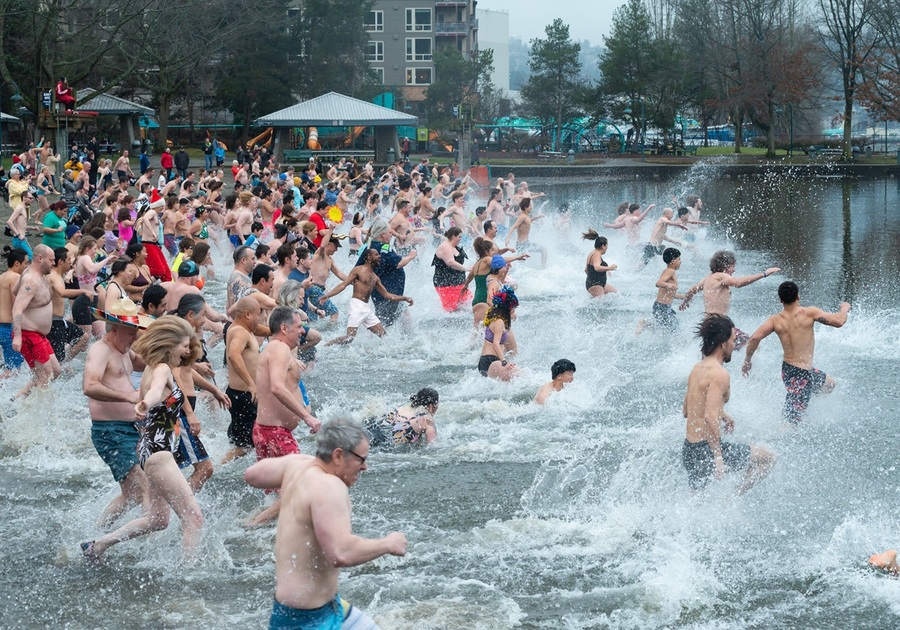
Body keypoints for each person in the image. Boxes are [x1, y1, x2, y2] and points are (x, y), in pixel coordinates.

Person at [244, 419, 407, 628]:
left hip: (323, 607)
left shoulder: (298, 465)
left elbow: (252, 475)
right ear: (338, 455)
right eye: (361, 459)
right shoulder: (329, 486)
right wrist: (388, 544)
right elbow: (341, 553)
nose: (365, 466)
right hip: (306, 621)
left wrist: (294, 470)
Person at [81, 316, 204, 564]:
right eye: (184, 345)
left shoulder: (150, 366)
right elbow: (157, 389)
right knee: (194, 518)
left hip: (152, 451)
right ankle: (190, 576)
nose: (188, 350)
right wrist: (147, 401)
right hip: (159, 454)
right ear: (170, 344)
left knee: (158, 519)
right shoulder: (160, 369)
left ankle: (98, 545)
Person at [682, 314, 775, 494]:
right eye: (733, 340)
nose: (735, 345)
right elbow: (709, 416)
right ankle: (733, 497)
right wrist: (718, 457)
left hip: (689, 450)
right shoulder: (720, 374)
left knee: (698, 505)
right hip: (706, 449)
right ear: (723, 343)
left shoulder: (698, 368)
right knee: (768, 458)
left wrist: (723, 414)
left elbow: (687, 410)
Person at [82, 298, 152, 527]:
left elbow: (141, 363)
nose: (135, 337)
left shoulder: (124, 350)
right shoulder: (100, 350)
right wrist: (128, 397)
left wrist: (166, 353)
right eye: (132, 331)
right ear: (114, 328)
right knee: (148, 487)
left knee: (132, 496)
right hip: (110, 433)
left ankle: (97, 533)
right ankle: (149, 543)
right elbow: (89, 386)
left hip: (130, 429)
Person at [249, 306, 321, 526]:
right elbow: (277, 388)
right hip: (275, 433)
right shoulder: (279, 349)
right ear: (283, 328)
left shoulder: (276, 349)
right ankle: (250, 527)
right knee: (298, 487)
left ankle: (267, 531)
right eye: (299, 327)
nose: (302, 331)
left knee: (280, 492)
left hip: (267, 430)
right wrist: (307, 417)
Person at [742, 281, 851, 425]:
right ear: (798, 296)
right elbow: (839, 321)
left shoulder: (775, 320)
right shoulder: (809, 313)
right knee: (790, 423)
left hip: (792, 370)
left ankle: (802, 402)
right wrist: (845, 308)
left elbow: (755, 337)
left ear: (780, 300)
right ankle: (776, 440)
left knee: (829, 384)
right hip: (800, 374)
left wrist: (747, 361)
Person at [680, 250, 781, 350]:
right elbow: (738, 283)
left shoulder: (708, 279)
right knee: (752, 345)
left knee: (712, 354)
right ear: (726, 266)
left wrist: (685, 302)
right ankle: (746, 364)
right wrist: (763, 274)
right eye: (733, 266)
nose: (734, 270)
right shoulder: (721, 276)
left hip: (709, 323)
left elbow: (691, 291)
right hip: (719, 324)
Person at [320, 248, 414, 346]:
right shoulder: (358, 270)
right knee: (349, 338)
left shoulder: (375, 278)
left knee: (384, 336)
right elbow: (344, 285)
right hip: (356, 306)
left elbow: (387, 295)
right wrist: (327, 296)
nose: (379, 257)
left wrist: (404, 298)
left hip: (365, 308)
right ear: (369, 257)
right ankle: (326, 345)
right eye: (376, 255)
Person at [11, 244, 62, 397]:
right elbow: (17, 309)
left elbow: (14, 290)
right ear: (40, 259)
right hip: (29, 335)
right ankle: (32, 414)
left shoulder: (36, 274)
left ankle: (17, 399)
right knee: (45, 376)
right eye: (51, 260)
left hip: (39, 335)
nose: (54, 263)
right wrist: (18, 336)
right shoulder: (31, 280)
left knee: (56, 371)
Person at [221, 297, 263, 464]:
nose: (259, 318)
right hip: (243, 395)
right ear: (247, 314)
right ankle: (216, 470)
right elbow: (233, 354)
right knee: (244, 447)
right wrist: (251, 384)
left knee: (245, 441)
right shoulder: (240, 332)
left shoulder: (240, 328)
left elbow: (261, 329)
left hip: (240, 395)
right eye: (258, 314)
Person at [364, 388, 439, 447]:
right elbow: (432, 447)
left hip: (372, 428)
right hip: (386, 442)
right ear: (432, 406)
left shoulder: (405, 407)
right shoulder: (427, 419)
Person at [478, 286, 519, 380]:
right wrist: (504, 361)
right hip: (490, 361)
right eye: (514, 307)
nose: (515, 309)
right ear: (508, 307)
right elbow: (495, 343)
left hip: (489, 360)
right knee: (518, 376)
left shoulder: (495, 316)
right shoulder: (499, 321)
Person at [0, 247, 29, 372]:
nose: (27, 266)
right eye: (26, 263)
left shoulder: (1, 276)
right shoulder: (16, 278)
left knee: (10, 368)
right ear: (17, 263)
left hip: (1, 326)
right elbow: (17, 305)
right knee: (12, 371)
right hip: (7, 328)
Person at [432, 227, 470, 311]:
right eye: (459, 237)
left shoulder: (453, 246)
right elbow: (450, 262)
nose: (460, 239)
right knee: (451, 310)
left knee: (467, 304)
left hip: (458, 283)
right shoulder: (445, 246)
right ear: (453, 236)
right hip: (446, 284)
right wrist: (467, 269)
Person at [505, 197, 547, 266]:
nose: (531, 207)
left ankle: (542, 268)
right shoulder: (522, 216)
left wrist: (538, 217)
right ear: (525, 207)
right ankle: (543, 268)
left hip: (525, 244)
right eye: (530, 206)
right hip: (522, 244)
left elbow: (528, 221)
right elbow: (514, 226)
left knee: (522, 263)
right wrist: (508, 237)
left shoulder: (526, 216)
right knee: (544, 250)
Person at [582, 229, 618, 297]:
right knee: (601, 305)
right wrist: (609, 268)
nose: (607, 247)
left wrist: (600, 275)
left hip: (598, 283)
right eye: (607, 245)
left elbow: (586, 270)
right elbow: (597, 267)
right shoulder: (596, 254)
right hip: (595, 284)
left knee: (616, 293)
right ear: (603, 246)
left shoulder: (592, 253)